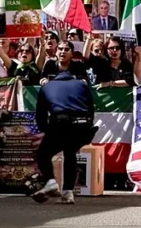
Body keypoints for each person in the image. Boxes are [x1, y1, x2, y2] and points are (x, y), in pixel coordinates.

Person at [32, 65, 97, 205]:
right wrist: (88, 126)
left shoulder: (47, 86)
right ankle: (68, 192)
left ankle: (51, 182)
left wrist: (46, 130)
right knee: (70, 153)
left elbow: (41, 115)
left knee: (43, 154)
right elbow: (91, 108)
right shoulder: (81, 84)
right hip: (83, 124)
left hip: (61, 123)